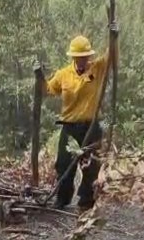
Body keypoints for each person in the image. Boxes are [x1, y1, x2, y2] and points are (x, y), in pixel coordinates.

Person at [47, 28, 117, 210]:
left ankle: (86, 200)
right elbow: (48, 89)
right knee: (63, 164)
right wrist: (39, 78)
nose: (83, 60)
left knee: (91, 166)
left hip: (91, 126)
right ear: (73, 57)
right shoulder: (63, 74)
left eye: (85, 56)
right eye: (79, 57)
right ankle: (62, 199)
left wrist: (113, 38)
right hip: (70, 127)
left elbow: (112, 57)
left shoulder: (97, 68)